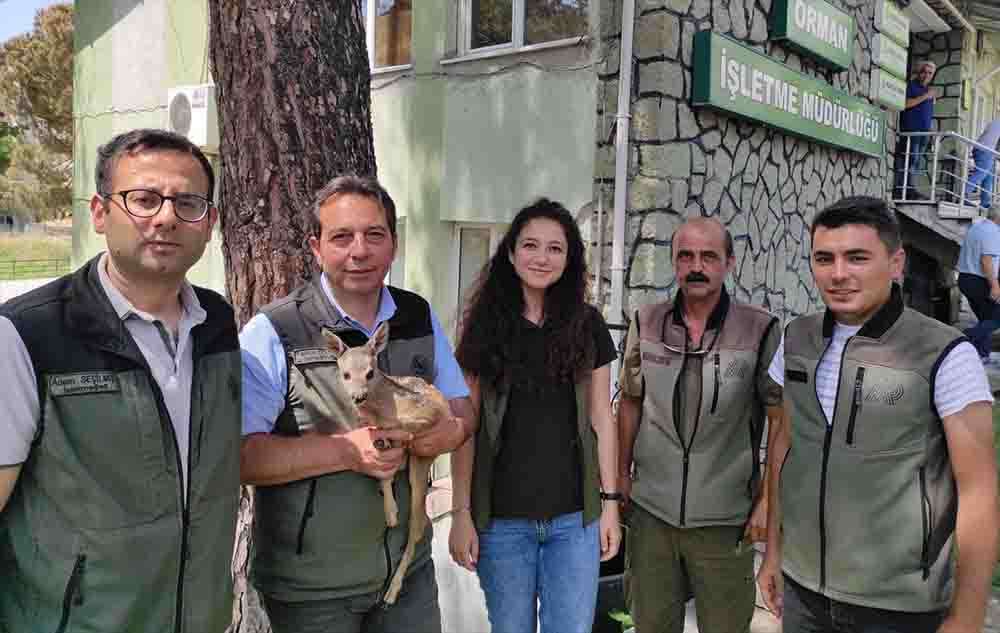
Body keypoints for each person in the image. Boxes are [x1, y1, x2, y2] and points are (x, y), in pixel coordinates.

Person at [0, 128, 241, 631]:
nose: (167, 218)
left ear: (210, 221)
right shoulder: (29, 332)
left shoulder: (216, 323)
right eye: (144, 199)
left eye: (188, 202)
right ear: (99, 212)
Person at [240, 174, 474, 633]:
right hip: (311, 592)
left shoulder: (417, 316)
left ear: (394, 243)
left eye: (374, 235)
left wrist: (448, 432)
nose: (359, 251)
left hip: (406, 576)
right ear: (316, 246)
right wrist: (347, 451)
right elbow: (241, 457)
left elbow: (462, 410)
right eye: (342, 237)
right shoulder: (274, 330)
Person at [758, 196, 998, 633]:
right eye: (824, 258)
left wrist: (967, 615)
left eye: (857, 257)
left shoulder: (945, 353)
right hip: (803, 592)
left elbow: (980, 492)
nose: (839, 274)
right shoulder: (797, 338)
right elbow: (785, 448)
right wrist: (774, 554)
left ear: (895, 262)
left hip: (898, 605)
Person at [448, 198, 622, 633]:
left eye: (555, 248)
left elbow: (603, 418)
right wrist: (461, 513)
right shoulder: (483, 328)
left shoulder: (588, 326)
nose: (541, 258)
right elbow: (464, 428)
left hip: (574, 524)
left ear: (570, 258)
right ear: (510, 253)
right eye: (530, 245)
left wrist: (610, 506)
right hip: (503, 526)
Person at [617, 216, 782, 633]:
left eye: (709, 256)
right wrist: (619, 475)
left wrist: (767, 501)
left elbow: (783, 425)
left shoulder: (760, 329)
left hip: (726, 520)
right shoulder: (647, 321)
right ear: (674, 263)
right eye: (686, 256)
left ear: (729, 262)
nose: (697, 266)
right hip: (651, 515)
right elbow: (631, 403)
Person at [957, 209, 1000, 363]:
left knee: (985, 318)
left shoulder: (977, 227)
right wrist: (995, 286)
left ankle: (982, 354)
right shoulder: (993, 232)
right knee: (996, 318)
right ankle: (965, 337)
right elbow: (986, 261)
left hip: (965, 278)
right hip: (978, 281)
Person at [894, 61, 938, 200]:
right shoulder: (911, 86)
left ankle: (910, 189)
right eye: (924, 72)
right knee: (909, 158)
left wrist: (931, 131)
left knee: (916, 161)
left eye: (930, 73)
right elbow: (905, 104)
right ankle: (902, 189)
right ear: (919, 72)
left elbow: (928, 113)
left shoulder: (929, 91)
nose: (927, 75)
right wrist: (925, 97)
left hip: (923, 133)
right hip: (910, 130)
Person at [964, 119, 1000, 208]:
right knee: (981, 173)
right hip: (986, 150)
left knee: (988, 177)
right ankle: (963, 195)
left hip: (982, 149)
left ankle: (985, 202)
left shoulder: (996, 122)